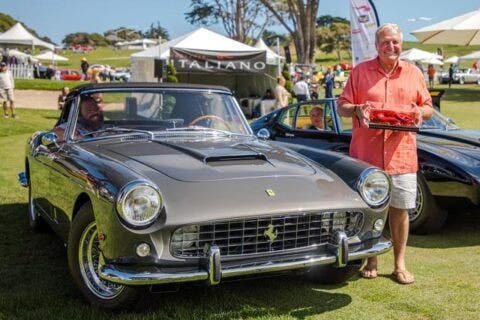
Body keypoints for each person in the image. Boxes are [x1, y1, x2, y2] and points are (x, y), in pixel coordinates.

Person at [337, 23, 434, 285]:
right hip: (365, 156)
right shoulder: (360, 72)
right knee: (370, 208)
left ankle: (399, 263)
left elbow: (427, 107)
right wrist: (356, 109)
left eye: (395, 42)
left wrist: (418, 112)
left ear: (400, 44)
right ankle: (371, 259)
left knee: (400, 209)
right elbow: (342, 106)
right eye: (385, 42)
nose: (391, 46)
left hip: (401, 154)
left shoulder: (413, 73)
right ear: (376, 46)